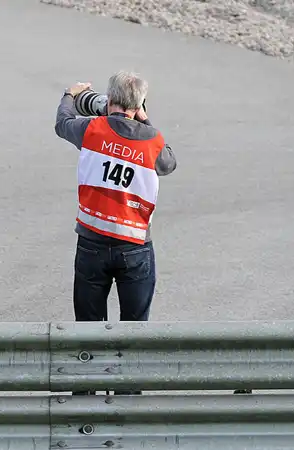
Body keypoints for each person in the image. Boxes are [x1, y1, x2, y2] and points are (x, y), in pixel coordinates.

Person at [55, 71, 177, 397]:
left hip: (92, 242)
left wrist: (70, 95)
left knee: (89, 329)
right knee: (133, 331)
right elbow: (169, 163)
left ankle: (86, 398)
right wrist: (145, 119)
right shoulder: (153, 141)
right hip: (135, 246)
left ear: (108, 101)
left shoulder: (92, 129)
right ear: (139, 106)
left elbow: (63, 122)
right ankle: (127, 404)